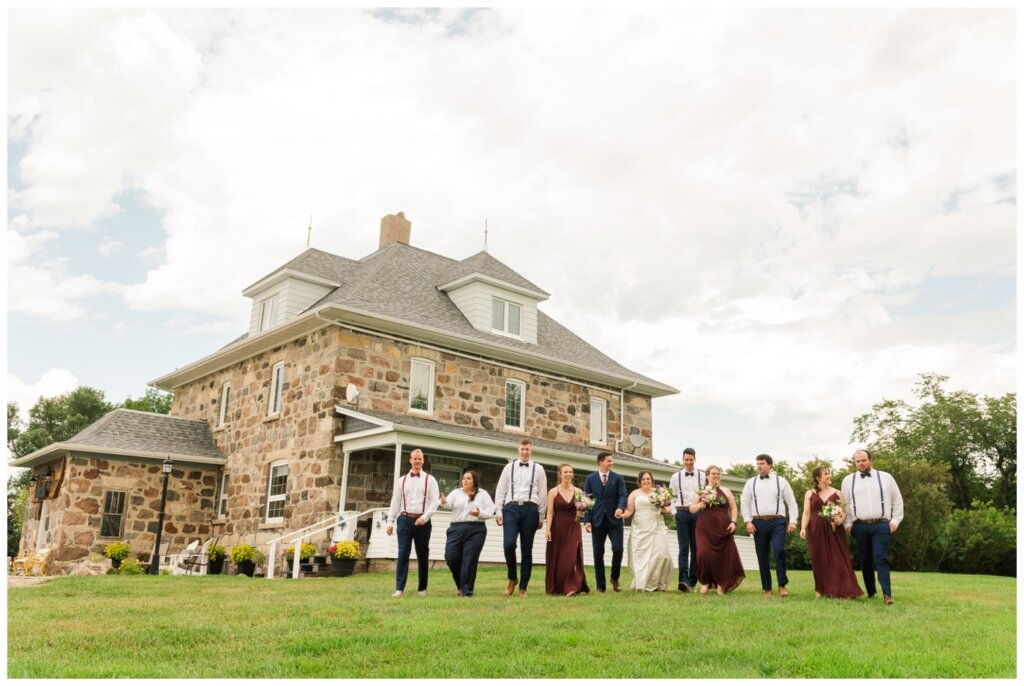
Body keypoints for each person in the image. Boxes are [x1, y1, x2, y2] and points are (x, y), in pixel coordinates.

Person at [841, 449, 904, 606]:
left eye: (864, 460)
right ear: (855, 463)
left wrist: (895, 521)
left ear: (870, 460)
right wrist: (848, 524)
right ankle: (871, 592)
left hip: (882, 524)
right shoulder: (848, 480)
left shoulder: (886, 477)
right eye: (858, 461)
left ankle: (887, 595)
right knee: (866, 560)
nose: (861, 463)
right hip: (859, 526)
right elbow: (844, 504)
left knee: (880, 558)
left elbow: (897, 500)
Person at [494, 438, 548, 598]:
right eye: (522, 449)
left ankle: (523, 587)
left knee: (527, 549)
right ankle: (512, 577)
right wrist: (498, 511)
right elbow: (500, 490)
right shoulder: (508, 468)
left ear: (531, 451)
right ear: (518, 450)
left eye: (527, 449)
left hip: (531, 509)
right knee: (509, 545)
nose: (525, 452)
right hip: (511, 508)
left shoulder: (539, 469)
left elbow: (543, 493)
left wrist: (541, 516)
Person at [800, 466, 863, 600]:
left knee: (838, 558)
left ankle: (845, 589)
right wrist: (803, 528)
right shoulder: (809, 493)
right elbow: (806, 513)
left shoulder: (838, 493)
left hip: (834, 528)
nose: (829, 476)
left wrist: (840, 519)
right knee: (819, 558)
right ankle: (821, 589)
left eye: (829, 473)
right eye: (826, 474)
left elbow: (845, 510)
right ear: (818, 478)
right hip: (815, 529)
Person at [740, 453, 799, 597]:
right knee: (762, 555)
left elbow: (791, 503)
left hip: (777, 521)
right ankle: (766, 588)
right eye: (757, 463)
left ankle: (782, 585)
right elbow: (745, 503)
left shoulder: (781, 481)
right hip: (758, 522)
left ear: (770, 465)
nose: (759, 466)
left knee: (779, 551)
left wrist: (793, 521)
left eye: (762, 463)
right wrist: (747, 521)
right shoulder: (751, 482)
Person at [385, 448, 440, 597]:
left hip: (422, 521)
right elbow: (395, 503)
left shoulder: (430, 479)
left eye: (420, 459)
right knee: (403, 553)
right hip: (404, 519)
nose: (417, 461)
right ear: (410, 460)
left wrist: (425, 517)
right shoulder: (401, 480)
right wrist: (390, 522)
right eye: (414, 458)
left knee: (422, 554)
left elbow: (435, 502)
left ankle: (422, 588)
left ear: (423, 461)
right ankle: (399, 589)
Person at [439, 470, 495, 597]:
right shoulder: (456, 492)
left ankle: (466, 591)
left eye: (468, 478)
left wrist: (480, 514)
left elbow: (491, 510)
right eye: (464, 478)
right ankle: (461, 584)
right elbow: (448, 505)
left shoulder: (483, 494)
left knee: (469, 560)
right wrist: (443, 502)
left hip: (476, 529)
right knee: (451, 558)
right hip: (456, 528)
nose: (465, 480)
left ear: (474, 481)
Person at [690, 465, 744, 594]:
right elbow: (692, 509)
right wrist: (701, 504)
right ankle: (705, 582)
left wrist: (733, 522)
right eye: (713, 474)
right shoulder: (701, 491)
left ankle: (721, 584)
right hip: (704, 528)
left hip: (723, 527)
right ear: (707, 476)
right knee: (702, 554)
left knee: (722, 556)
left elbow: (734, 509)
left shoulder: (726, 491)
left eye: (718, 474)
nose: (716, 476)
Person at [621, 470, 673, 592]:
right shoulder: (634, 493)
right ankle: (642, 583)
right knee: (641, 557)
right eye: (643, 479)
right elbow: (629, 510)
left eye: (648, 479)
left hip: (656, 526)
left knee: (662, 554)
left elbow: (666, 509)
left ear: (652, 480)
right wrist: (622, 515)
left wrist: (665, 506)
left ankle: (656, 583)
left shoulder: (659, 493)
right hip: (640, 527)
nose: (646, 481)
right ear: (639, 481)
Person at [582, 451, 627, 593]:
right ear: (601, 462)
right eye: (609, 461)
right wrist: (587, 520)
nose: (611, 463)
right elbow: (586, 500)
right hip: (597, 520)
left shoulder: (618, 478)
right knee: (598, 553)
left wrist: (620, 508)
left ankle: (615, 578)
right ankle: (600, 585)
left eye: (612, 461)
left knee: (618, 549)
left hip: (615, 521)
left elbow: (623, 495)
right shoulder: (590, 479)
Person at [544, 464, 590, 596]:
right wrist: (548, 530)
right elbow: (550, 512)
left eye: (570, 472)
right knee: (558, 557)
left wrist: (582, 511)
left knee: (571, 557)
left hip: (573, 526)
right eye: (565, 472)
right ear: (560, 474)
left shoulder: (579, 492)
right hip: (557, 527)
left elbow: (581, 510)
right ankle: (558, 586)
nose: (568, 474)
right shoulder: (553, 492)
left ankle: (571, 587)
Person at [670, 447, 704, 592]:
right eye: (686, 460)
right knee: (683, 548)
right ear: (683, 460)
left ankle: (692, 582)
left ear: (695, 459)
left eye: (691, 460)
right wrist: (674, 512)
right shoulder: (675, 477)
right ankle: (682, 581)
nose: (689, 462)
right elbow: (671, 496)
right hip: (682, 513)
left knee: (696, 549)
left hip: (697, 514)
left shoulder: (702, 476)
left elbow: (705, 494)